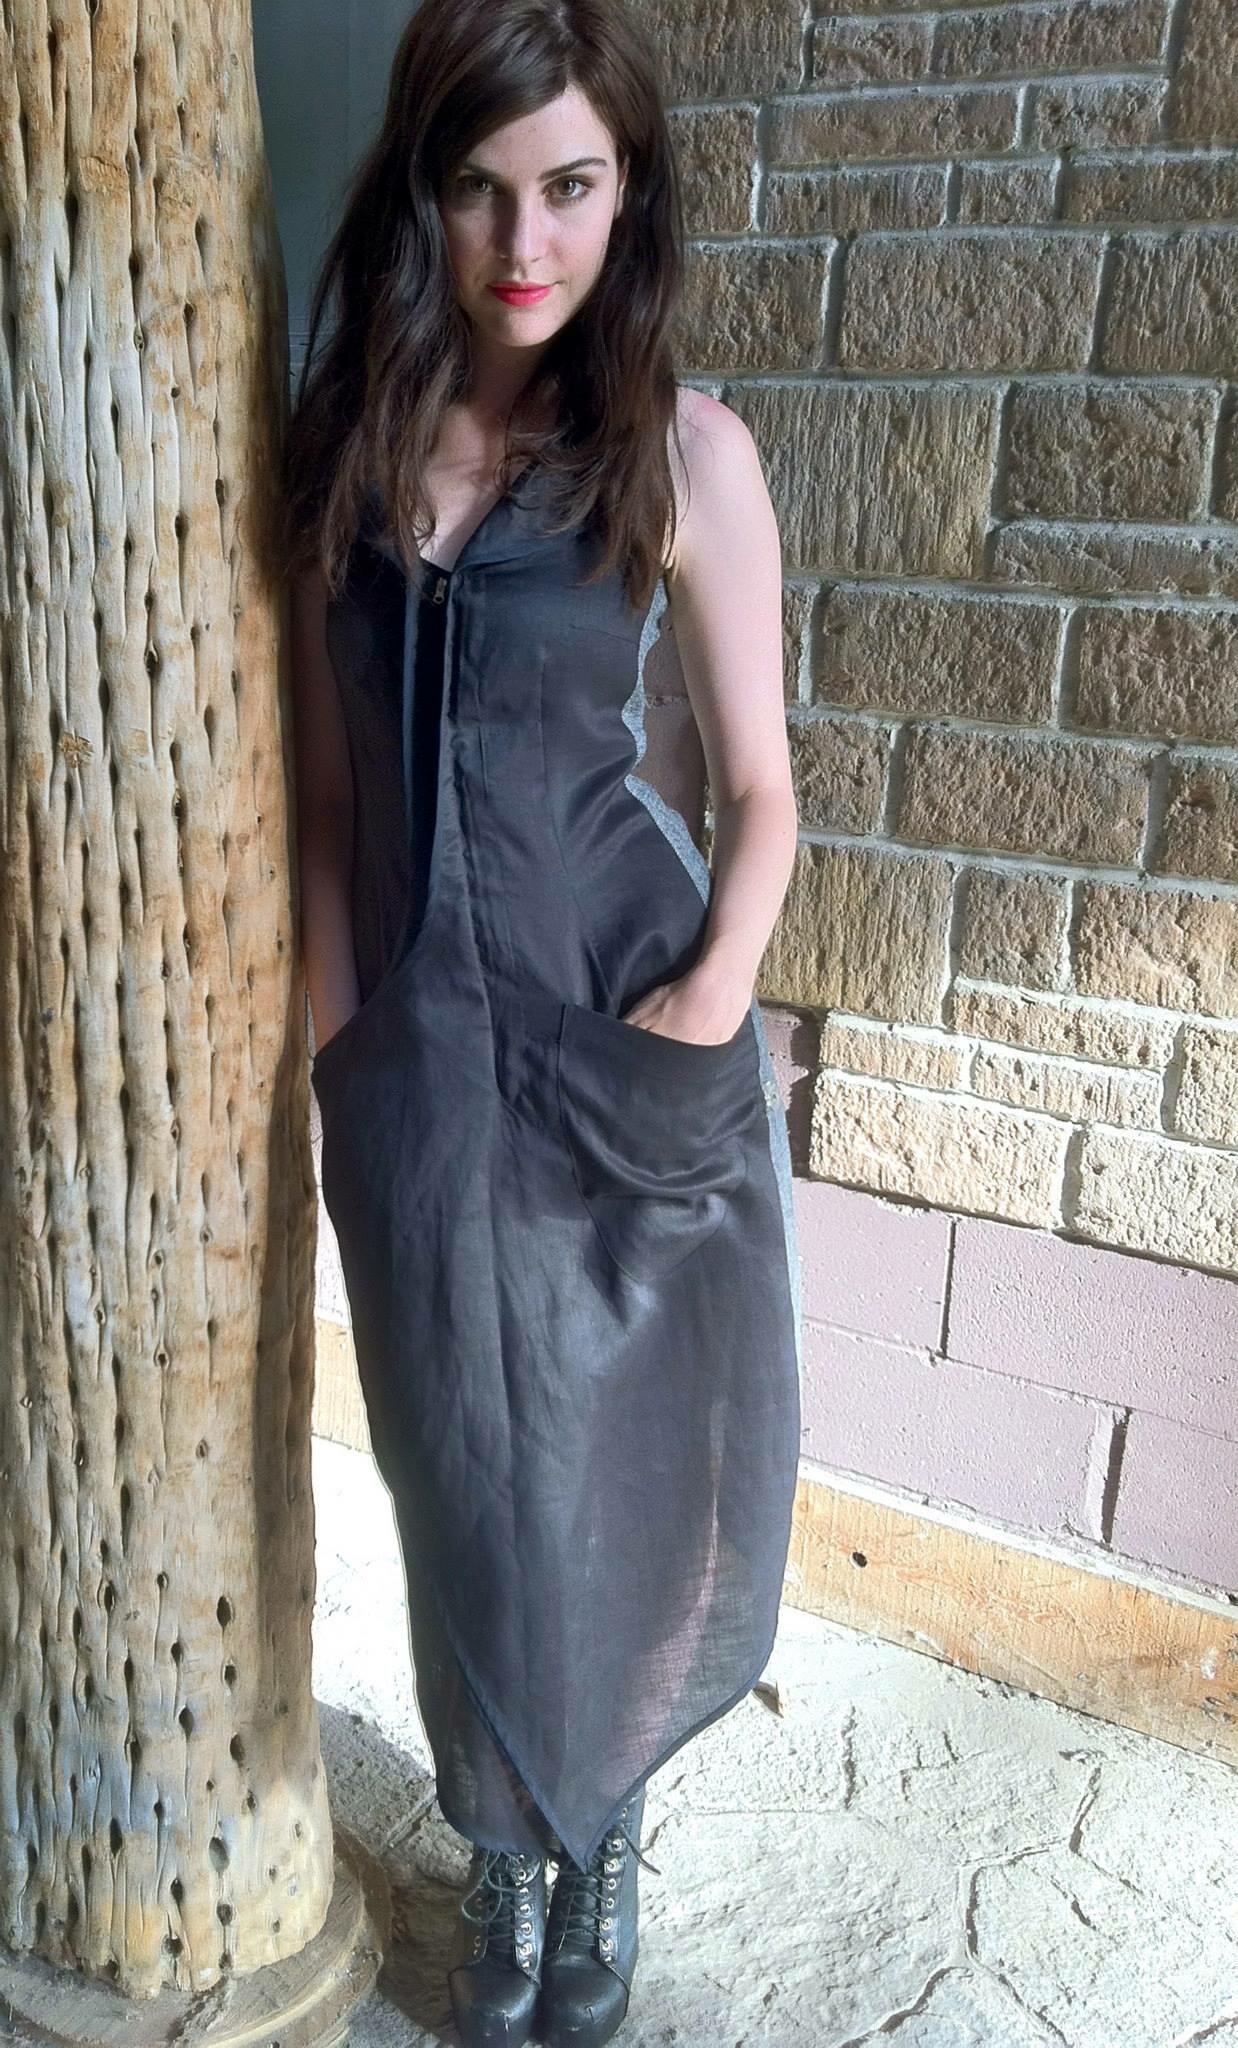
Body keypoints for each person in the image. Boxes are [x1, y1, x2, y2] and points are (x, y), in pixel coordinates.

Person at [282, 2, 803, 2041]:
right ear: (424, 191)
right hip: (413, 1047)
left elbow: (759, 792)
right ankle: (503, 1836)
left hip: (616, 1014)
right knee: (454, 1465)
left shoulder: (686, 453)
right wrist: (343, 1040)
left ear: (625, 192)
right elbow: (327, 800)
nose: (526, 241)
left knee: (617, 1458)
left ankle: (595, 1846)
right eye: (483, 187)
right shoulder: (343, 447)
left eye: (570, 186)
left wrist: (703, 1004)